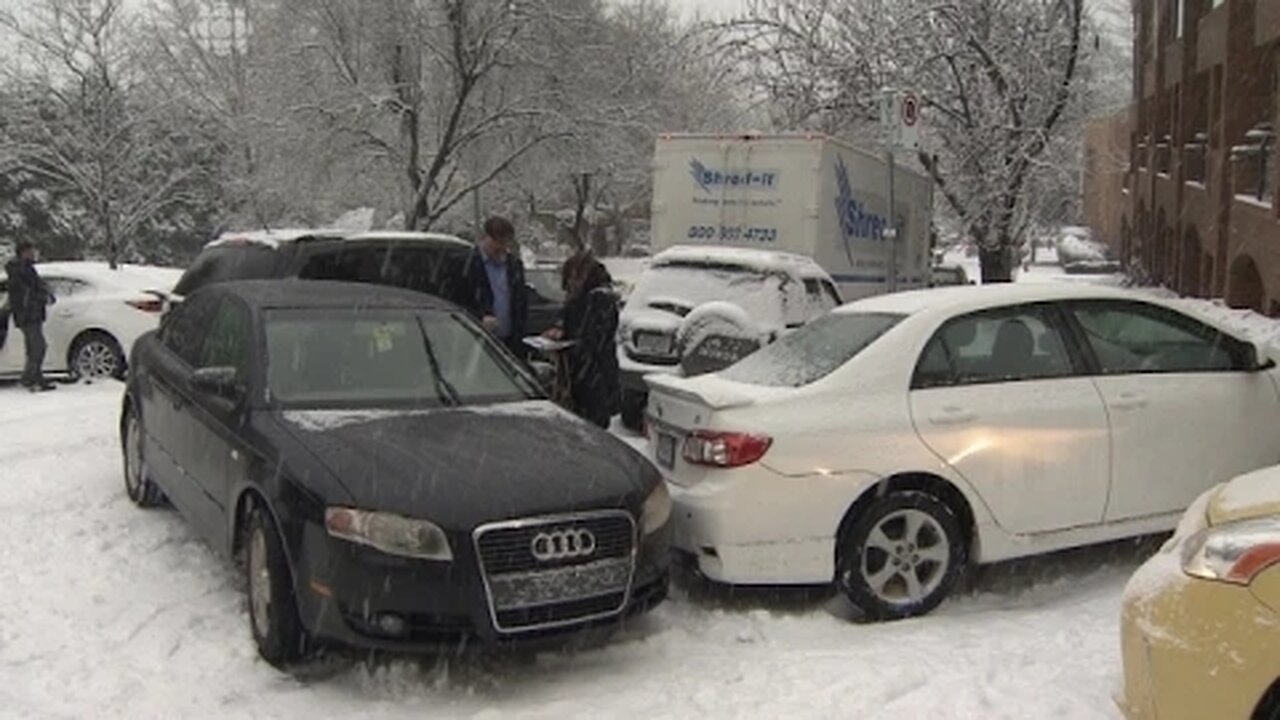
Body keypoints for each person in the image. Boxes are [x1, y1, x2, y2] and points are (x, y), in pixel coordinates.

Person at [545, 252, 620, 428]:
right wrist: (558, 330)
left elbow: (592, 338)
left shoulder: (599, 299)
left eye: (574, 279)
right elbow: (568, 322)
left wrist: (565, 341)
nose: (571, 284)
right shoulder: (577, 299)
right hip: (581, 375)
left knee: (592, 425)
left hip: (594, 376)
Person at [453, 216, 528, 357]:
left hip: (509, 340)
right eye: (498, 242)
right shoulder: (467, 264)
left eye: (506, 243)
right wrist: (479, 317)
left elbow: (521, 301)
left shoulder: (514, 266)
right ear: (485, 238)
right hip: (476, 339)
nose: (501, 248)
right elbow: (458, 300)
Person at [5, 241, 56, 392]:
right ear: (23, 252)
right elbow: (26, 292)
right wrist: (42, 296)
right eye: (30, 251)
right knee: (38, 347)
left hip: (30, 314)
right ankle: (30, 378)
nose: (33, 253)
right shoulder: (21, 270)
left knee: (33, 348)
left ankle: (35, 378)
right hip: (29, 314)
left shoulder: (25, 268)